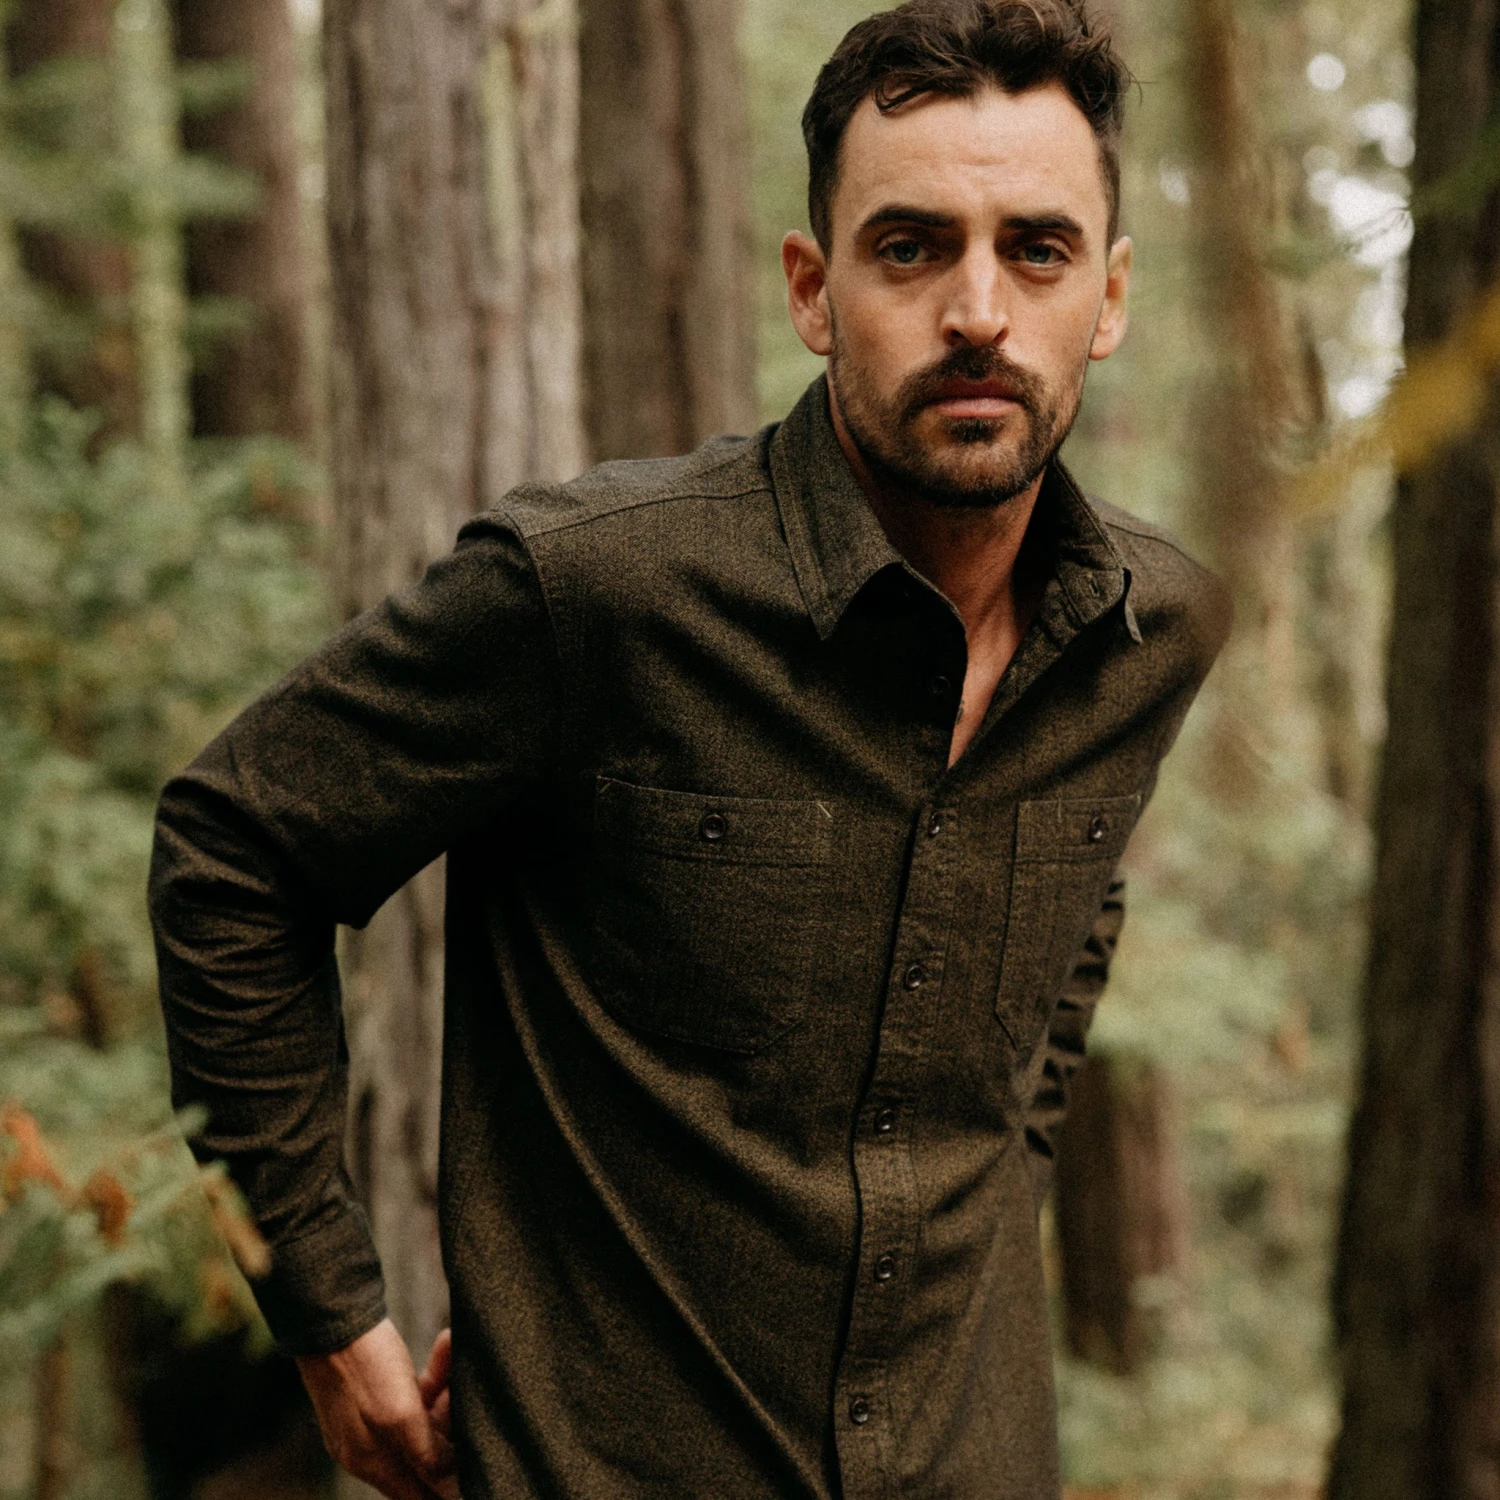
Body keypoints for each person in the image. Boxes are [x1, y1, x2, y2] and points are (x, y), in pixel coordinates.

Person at [149, 2, 1228, 1496]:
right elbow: (232, 849)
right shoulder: (591, 593)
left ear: (1107, 297)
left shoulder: (1150, 630)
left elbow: (1058, 971)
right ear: (814, 290)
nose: (979, 311)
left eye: (1037, 250)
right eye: (910, 248)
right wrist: (334, 1323)